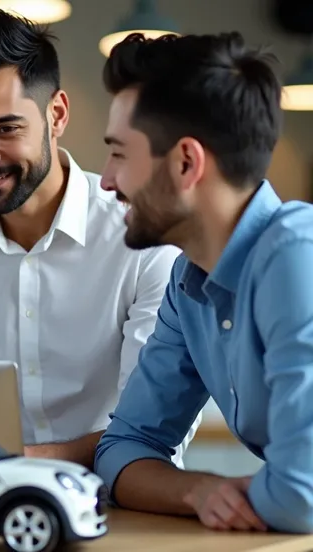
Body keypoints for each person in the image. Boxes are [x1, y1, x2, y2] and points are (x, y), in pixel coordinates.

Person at [0, 10, 200, 469]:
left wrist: (19, 459)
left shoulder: (144, 237)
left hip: (119, 501)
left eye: (5, 128)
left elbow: (155, 428)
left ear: (56, 115)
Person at [94, 31, 313, 533]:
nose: (106, 180)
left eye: (120, 154)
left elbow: (303, 495)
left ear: (186, 162)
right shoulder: (188, 284)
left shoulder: (298, 258)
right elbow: (122, 450)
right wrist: (199, 489)